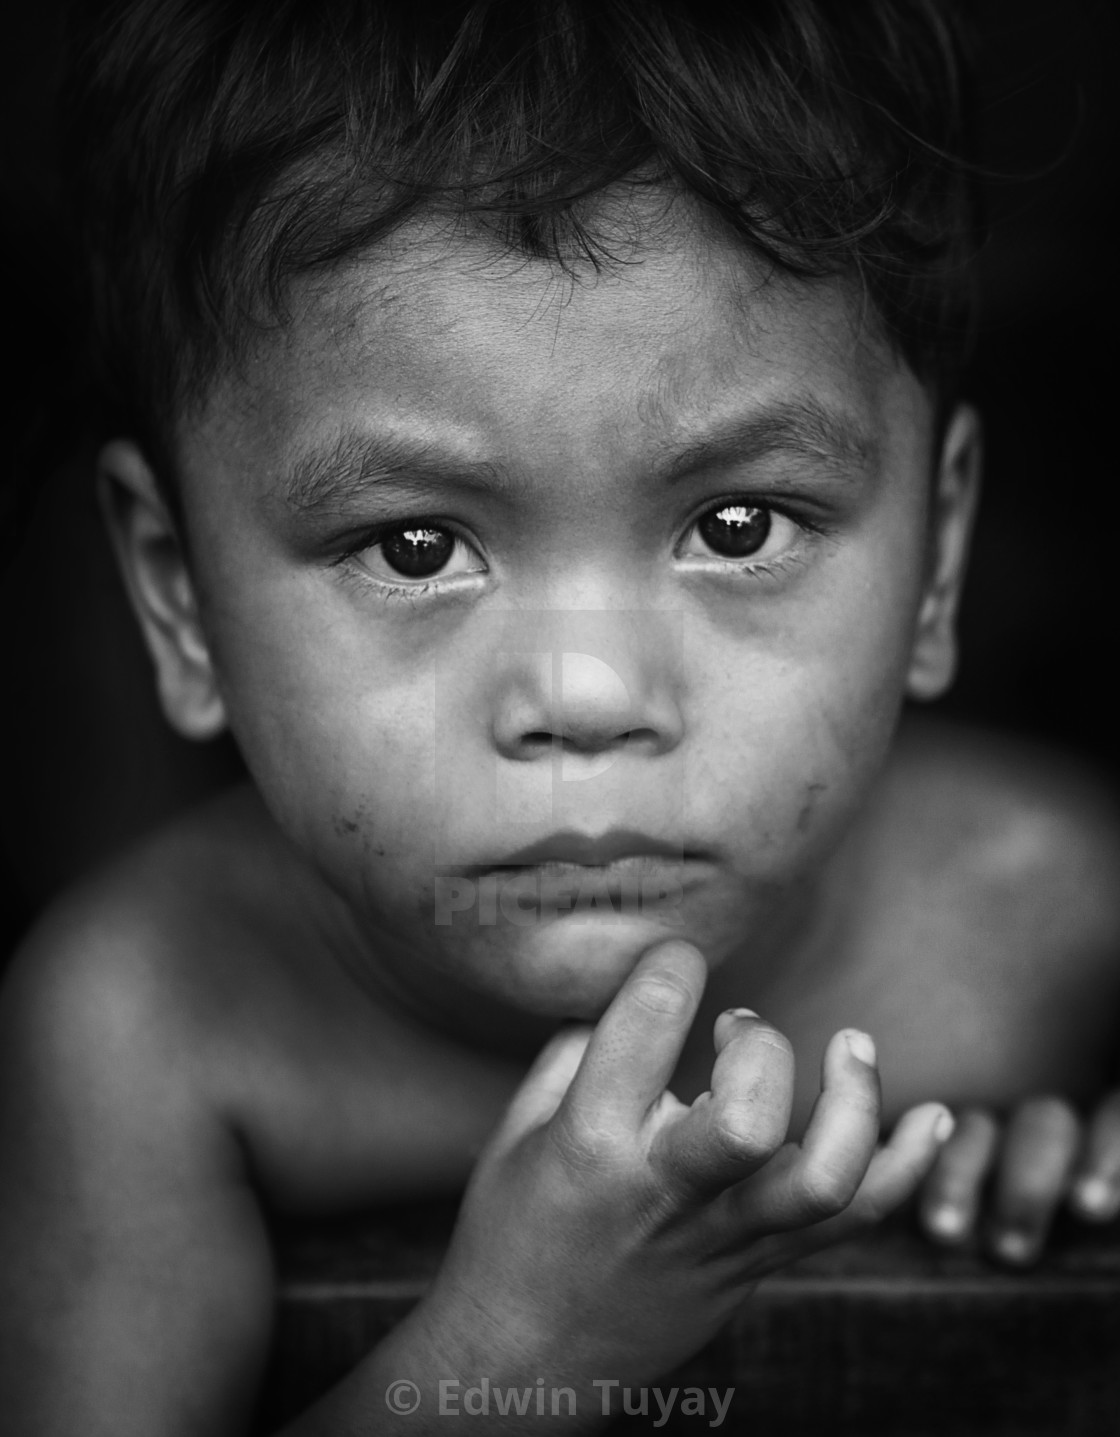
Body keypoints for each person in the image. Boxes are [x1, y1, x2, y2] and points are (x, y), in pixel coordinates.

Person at [2, 1, 1118, 1431]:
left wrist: (1072, 1173)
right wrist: (526, 1340)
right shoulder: (153, 1029)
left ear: (939, 556)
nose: (586, 697)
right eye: (415, 548)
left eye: (737, 522)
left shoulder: (1050, 911)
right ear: (178, 600)